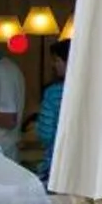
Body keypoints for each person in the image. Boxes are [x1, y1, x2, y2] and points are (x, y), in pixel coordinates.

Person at [31, 43, 68, 177]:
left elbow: (45, 134)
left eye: (56, 60)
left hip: (57, 161)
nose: (53, 65)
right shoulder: (96, 90)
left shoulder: (53, 93)